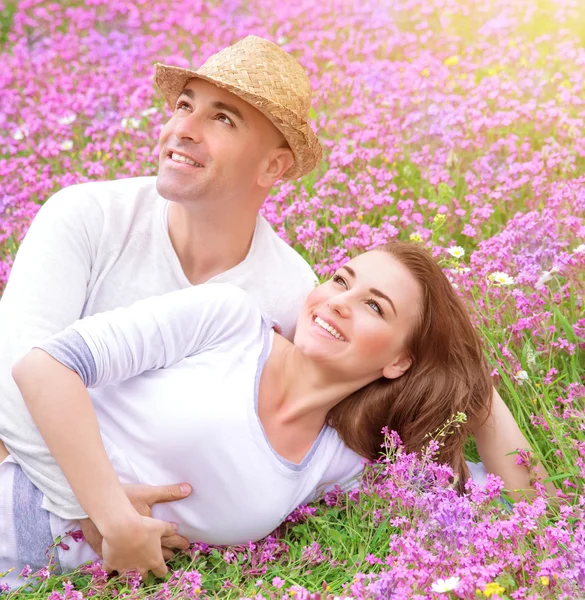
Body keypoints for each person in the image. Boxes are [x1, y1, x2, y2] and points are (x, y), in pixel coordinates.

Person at [2, 241, 539, 588]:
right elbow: (43, 367)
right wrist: (112, 517)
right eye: (341, 279)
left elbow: (531, 510)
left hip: (39, 579)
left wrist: (475, 388)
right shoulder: (227, 319)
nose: (338, 301)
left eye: (375, 306)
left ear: (400, 360)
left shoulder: (344, 460)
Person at [0, 35, 322, 547]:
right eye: (183, 106)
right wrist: (99, 507)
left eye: (223, 118)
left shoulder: (289, 294)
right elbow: (14, 378)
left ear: (273, 167)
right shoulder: (85, 216)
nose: (182, 130)